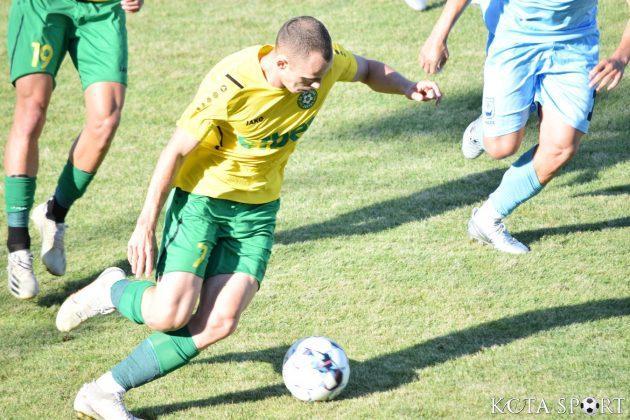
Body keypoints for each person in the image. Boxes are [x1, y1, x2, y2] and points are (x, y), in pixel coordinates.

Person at [55, 16, 442, 418]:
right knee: (168, 315)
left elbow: (368, 70)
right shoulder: (231, 83)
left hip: (257, 212)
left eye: (321, 78)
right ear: (281, 63)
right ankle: (113, 290)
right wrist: (145, 223)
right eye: (308, 80)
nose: (316, 87)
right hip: (203, 202)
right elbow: (176, 150)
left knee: (220, 322)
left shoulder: (321, 66)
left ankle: (102, 392)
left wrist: (406, 86)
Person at [420, 0, 629, 253]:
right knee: (501, 147)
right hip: (514, 36)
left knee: (561, 148)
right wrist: (438, 35)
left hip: (575, 44)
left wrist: (621, 56)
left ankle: (488, 219)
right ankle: (485, 129)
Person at [5, 0, 144, 299]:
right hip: (43, 7)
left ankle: (54, 213)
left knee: (105, 120)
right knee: (31, 113)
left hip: (101, 10)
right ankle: (17, 245)